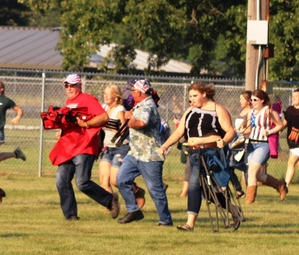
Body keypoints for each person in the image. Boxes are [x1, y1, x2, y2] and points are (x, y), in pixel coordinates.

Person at [160, 82, 236, 231]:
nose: (192, 100)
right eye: (190, 97)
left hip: (210, 152)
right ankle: (234, 210)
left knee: (194, 184)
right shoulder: (190, 111)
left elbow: (230, 131)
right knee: (207, 192)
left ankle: (190, 224)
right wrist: (165, 145)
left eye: (195, 96)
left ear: (204, 94)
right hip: (194, 152)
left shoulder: (217, 109)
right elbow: (179, 132)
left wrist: (224, 140)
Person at [47, 73, 119, 221]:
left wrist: (86, 124)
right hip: (69, 147)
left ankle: (110, 200)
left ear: (79, 85)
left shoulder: (87, 99)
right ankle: (71, 215)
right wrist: (62, 129)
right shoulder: (68, 102)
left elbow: (104, 117)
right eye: (66, 85)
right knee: (61, 181)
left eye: (72, 85)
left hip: (85, 146)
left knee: (82, 182)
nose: (69, 88)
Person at [116, 79, 172, 226]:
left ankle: (165, 221)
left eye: (133, 90)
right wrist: (130, 115)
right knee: (121, 179)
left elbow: (141, 123)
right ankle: (134, 210)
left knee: (155, 189)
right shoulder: (140, 105)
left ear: (139, 92)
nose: (132, 93)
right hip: (135, 153)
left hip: (150, 155)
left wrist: (129, 121)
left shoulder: (148, 105)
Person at [239, 89, 288, 203]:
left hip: (263, 145)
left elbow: (280, 125)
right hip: (252, 143)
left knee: (251, 171)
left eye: (255, 100)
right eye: (251, 100)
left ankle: (249, 200)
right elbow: (251, 128)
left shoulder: (268, 111)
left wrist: (269, 132)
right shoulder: (251, 112)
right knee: (258, 176)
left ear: (262, 100)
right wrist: (242, 131)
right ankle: (279, 185)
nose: (252, 102)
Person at [98, 84, 131, 204]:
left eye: (108, 93)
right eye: (104, 93)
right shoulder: (103, 108)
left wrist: (110, 125)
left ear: (115, 96)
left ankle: (137, 191)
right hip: (107, 148)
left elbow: (123, 131)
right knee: (103, 180)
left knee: (115, 180)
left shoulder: (119, 110)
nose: (105, 96)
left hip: (120, 148)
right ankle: (112, 205)